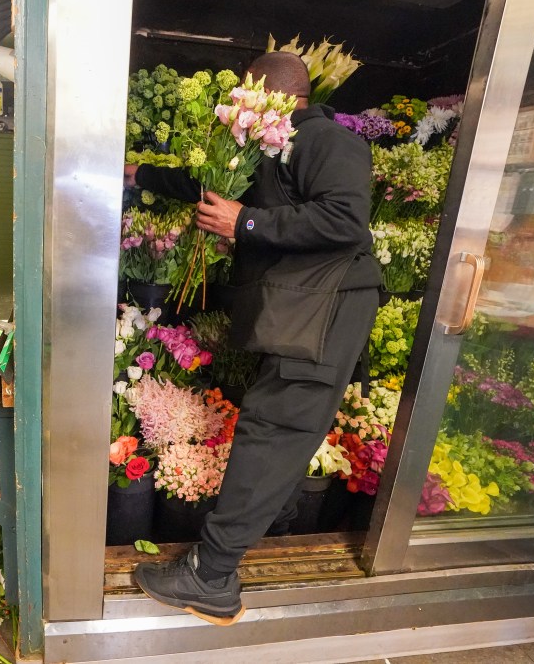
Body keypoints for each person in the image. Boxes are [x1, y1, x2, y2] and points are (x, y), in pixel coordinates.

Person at [125, 52, 381, 625]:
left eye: (243, 94)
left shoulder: (327, 141)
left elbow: (344, 220)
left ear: (272, 96)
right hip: (303, 307)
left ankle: (210, 576)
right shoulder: (269, 147)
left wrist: (246, 222)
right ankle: (275, 521)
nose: (235, 106)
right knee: (278, 430)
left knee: (274, 429)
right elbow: (212, 185)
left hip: (325, 308)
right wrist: (139, 175)